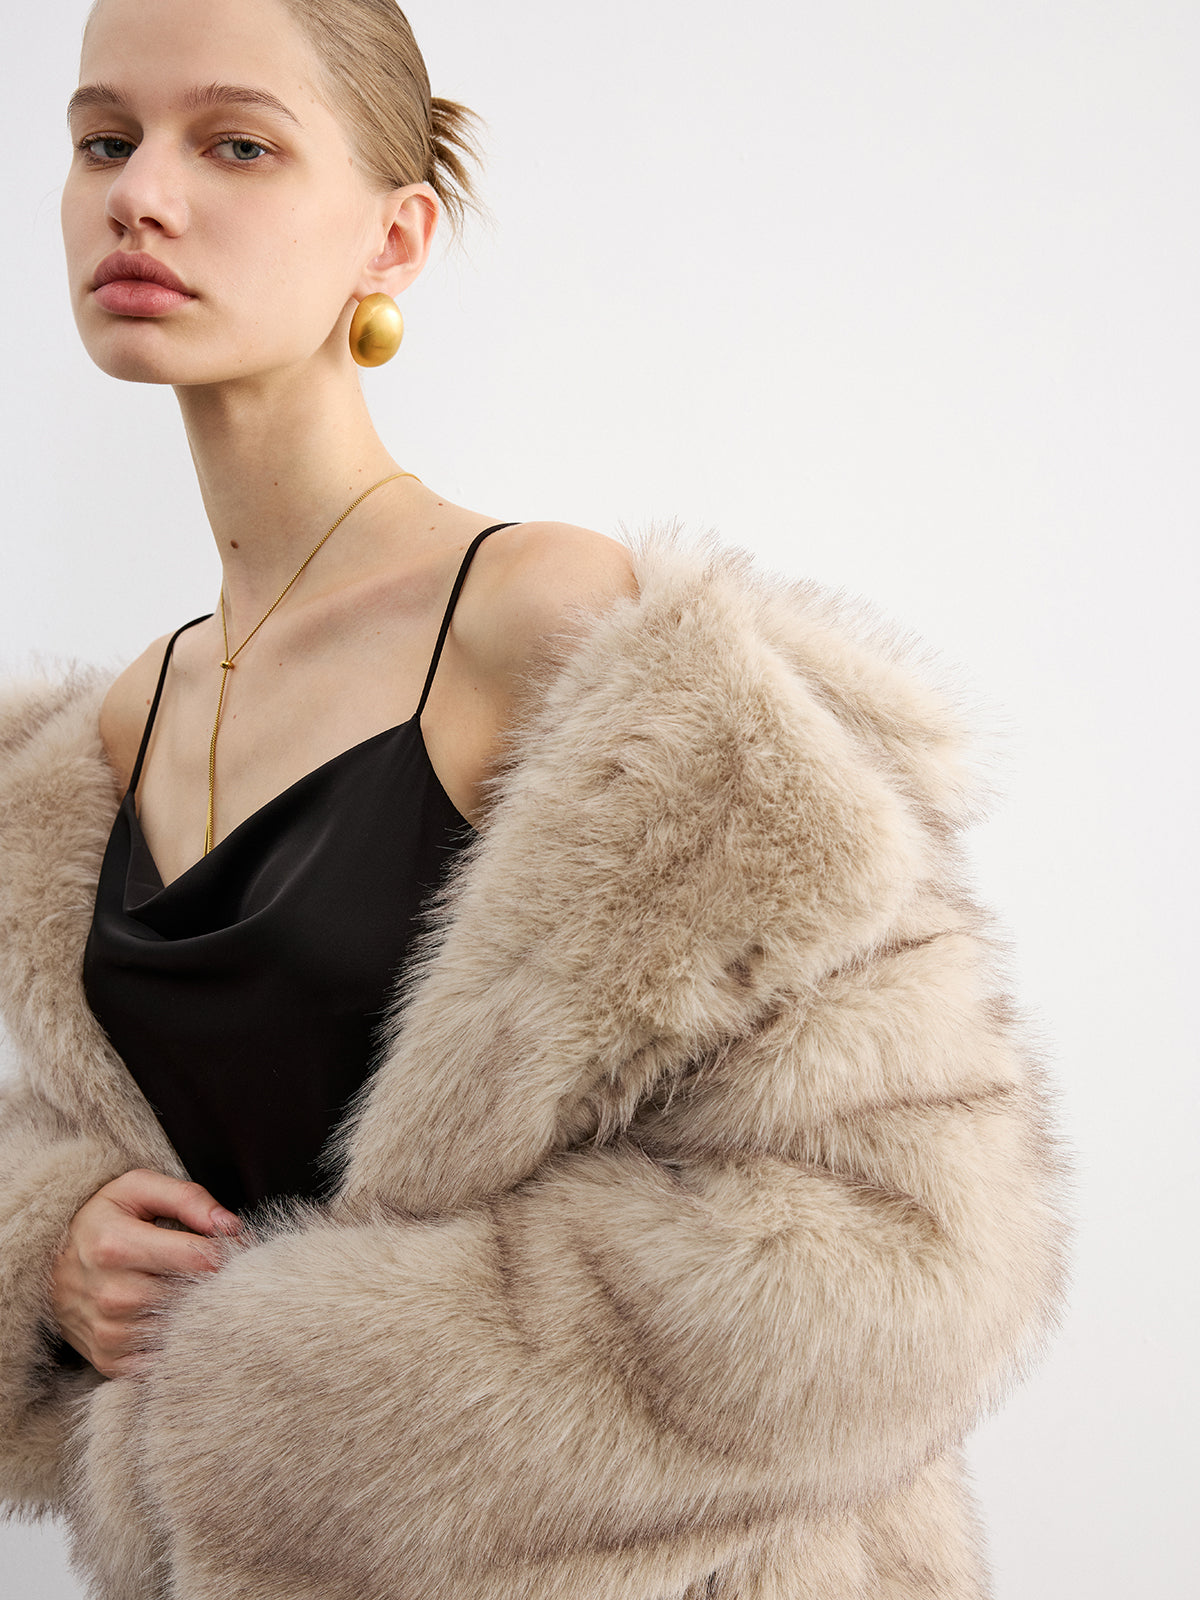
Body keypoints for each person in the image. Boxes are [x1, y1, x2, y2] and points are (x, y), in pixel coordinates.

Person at [0, 0, 1068, 1596]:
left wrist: (284, 1391)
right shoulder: (101, 744)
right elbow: (108, 1148)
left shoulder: (549, 624)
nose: (143, 194)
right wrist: (53, 1251)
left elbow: (909, 1245)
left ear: (395, 236)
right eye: (104, 141)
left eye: (236, 145)